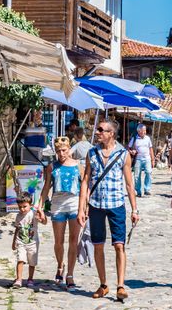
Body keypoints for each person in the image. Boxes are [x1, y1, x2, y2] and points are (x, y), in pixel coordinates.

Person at [78, 119, 140, 300]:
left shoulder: (123, 154)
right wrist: (81, 208)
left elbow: (129, 184)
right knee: (98, 245)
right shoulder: (92, 153)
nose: (97, 132)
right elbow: (85, 181)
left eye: (101, 130)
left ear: (111, 133)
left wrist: (134, 209)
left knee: (119, 245)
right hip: (96, 205)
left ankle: (120, 286)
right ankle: (103, 284)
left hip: (116, 205)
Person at [37, 137, 82, 289]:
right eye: (58, 151)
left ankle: (70, 274)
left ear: (69, 149)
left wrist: (85, 207)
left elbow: (84, 186)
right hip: (57, 205)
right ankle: (60, 265)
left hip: (74, 204)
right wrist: (40, 205)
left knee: (73, 241)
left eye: (64, 150)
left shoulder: (78, 165)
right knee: (58, 241)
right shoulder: (52, 167)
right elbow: (46, 187)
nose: (61, 154)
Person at [11, 193, 46, 288]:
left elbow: (44, 222)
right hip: (21, 241)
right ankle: (19, 279)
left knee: (32, 261)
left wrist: (41, 214)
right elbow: (17, 229)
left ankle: (30, 278)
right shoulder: (18, 216)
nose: (22, 209)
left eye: (24, 206)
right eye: (20, 207)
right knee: (20, 259)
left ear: (30, 205)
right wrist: (14, 242)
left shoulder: (34, 214)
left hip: (33, 243)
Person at [128, 124, 155, 197]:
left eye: (145, 130)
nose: (145, 132)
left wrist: (153, 159)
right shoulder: (134, 138)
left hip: (147, 158)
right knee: (137, 175)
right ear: (139, 131)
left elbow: (151, 149)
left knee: (148, 172)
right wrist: (131, 151)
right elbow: (128, 147)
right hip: (138, 159)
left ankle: (147, 189)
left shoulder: (148, 138)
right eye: (143, 130)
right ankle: (138, 191)